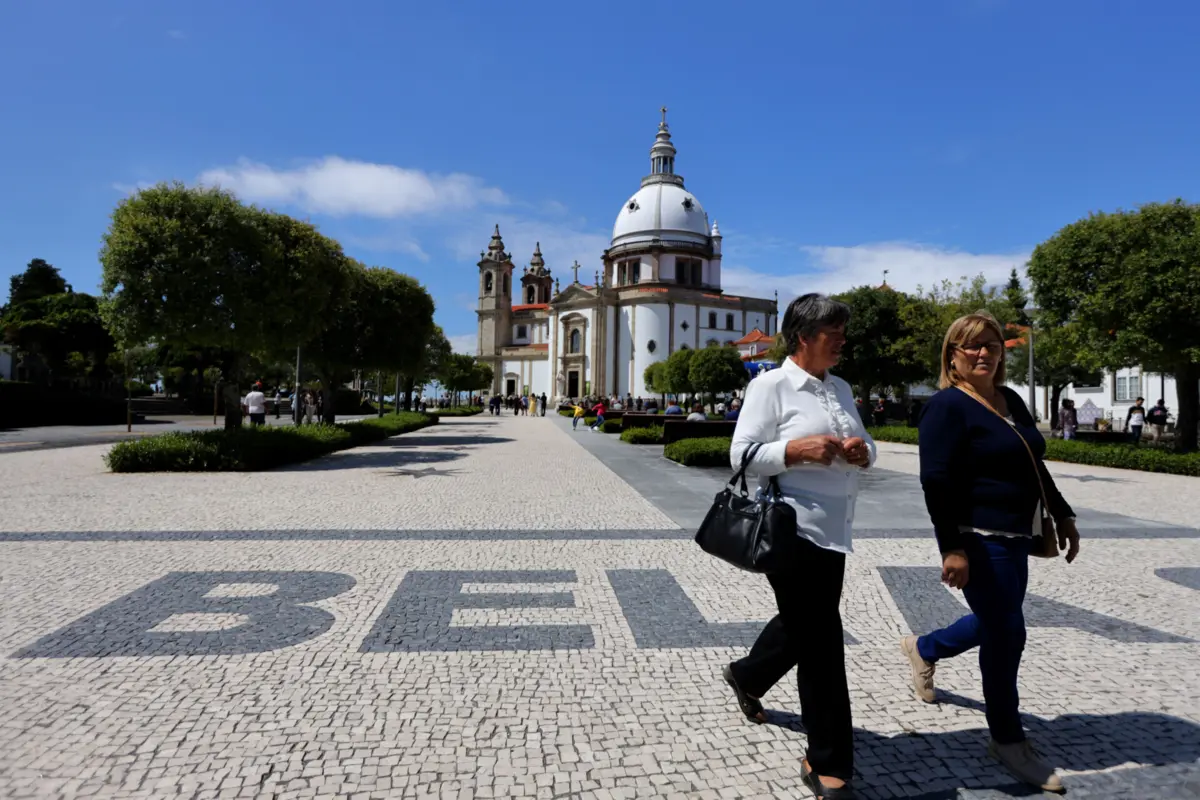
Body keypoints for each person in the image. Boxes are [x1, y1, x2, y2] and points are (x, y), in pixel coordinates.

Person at [900, 312, 1081, 794]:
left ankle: (924, 648)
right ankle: (1007, 739)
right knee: (1008, 632)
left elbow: (1034, 464)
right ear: (952, 355)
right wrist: (952, 547)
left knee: (997, 621)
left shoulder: (1010, 399)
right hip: (978, 538)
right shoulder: (945, 407)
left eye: (992, 345)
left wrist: (1062, 514)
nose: (984, 353)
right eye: (972, 346)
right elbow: (935, 482)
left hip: (1017, 535)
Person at [724, 294, 874, 799]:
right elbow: (741, 455)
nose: (842, 342)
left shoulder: (841, 388)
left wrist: (862, 452)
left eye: (843, 333)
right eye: (834, 334)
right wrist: (794, 450)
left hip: (836, 530)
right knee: (823, 642)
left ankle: (746, 675)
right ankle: (827, 760)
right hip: (792, 529)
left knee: (803, 625)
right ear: (804, 337)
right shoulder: (770, 386)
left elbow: (867, 443)